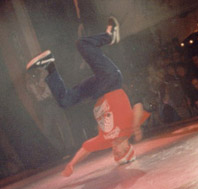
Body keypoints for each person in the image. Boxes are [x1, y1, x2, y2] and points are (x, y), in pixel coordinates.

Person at [26, 17, 148, 177]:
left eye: (115, 155)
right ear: (127, 148)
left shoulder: (105, 140)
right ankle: (109, 36)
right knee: (82, 44)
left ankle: (49, 66)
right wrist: (136, 126)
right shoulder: (129, 130)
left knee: (65, 101)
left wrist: (72, 164)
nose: (115, 151)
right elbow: (138, 105)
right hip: (112, 81)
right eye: (119, 153)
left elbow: (86, 149)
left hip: (97, 90)